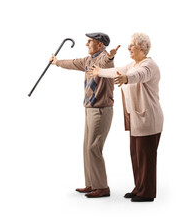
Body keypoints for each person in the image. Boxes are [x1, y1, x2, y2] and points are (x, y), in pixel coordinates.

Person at [87, 33, 163, 202]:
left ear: (142, 48)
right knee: (136, 155)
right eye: (129, 45)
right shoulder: (133, 64)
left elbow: (139, 76)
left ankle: (147, 193)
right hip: (137, 120)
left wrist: (127, 78)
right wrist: (99, 71)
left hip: (148, 120)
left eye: (132, 45)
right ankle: (139, 188)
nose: (129, 48)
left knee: (146, 157)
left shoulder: (148, 65)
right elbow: (116, 70)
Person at [49, 33, 120, 198]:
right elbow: (73, 63)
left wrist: (110, 57)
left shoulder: (103, 58)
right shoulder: (88, 60)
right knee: (86, 147)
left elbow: (106, 63)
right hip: (89, 108)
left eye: (90, 41)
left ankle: (102, 187)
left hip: (101, 109)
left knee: (93, 147)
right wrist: (57, 62)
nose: (87, 44)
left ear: (100, 45)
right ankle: (92, 184)